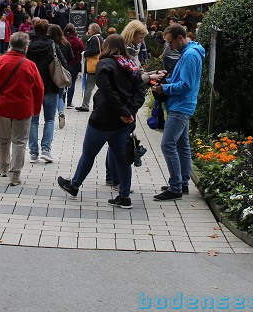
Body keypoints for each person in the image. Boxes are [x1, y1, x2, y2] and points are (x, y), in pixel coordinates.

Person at [56, 34, 162, 209]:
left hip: (103, 119)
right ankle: (124, 196)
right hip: (123, 124)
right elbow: (140, 92)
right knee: (122, 159)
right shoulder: (132, 66)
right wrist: (130, 113)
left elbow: (108, 92)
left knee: (89, 154)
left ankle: (74, 185)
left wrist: (123, 112)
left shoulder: (104, 65)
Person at [0, 31, 43, 186]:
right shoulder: (30, 65)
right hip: (23, 108)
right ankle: (15, 175)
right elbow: (39, 89)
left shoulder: (0, 61)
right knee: (20, 142)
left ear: (10, 45)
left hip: (2, 108)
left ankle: (3, 168)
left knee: (3, 139)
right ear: (26, 48)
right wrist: (36, 109)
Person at [151, 23, 204, 200]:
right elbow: (183, 79)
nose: (170, 47)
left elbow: (186, 85)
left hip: (180, 106)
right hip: (183, 104)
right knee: (182, 145)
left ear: (180, 38)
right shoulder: (188, 52)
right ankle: (182, 182)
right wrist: (169, 78)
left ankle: (175, 188)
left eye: (171, 43)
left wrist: (164, 88)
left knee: (167, 144)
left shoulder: (189, 55)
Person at [106, 19, 150, 186]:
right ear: (133, 35)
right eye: (140, 37)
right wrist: (146, 77)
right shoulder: (127, 52)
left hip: (126, 102)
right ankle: (116, 178)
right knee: (119, 140)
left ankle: (112, 175)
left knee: (116, 140)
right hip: (126, 103)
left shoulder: (130, 50)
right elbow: (130, 79)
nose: (141, 41)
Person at [26, 19, 70, 163]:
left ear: (34, 29)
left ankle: (33, 152)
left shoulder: (29, 46)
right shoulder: (53, 45)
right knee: (50, 119)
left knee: (33, 121)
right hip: (51, 87)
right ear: (47, 30)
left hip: (32, 88)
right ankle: (46, 150)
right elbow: (63, 64)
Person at [48, 23, 73, 129]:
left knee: (50, 95)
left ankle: (50, 116)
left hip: (50, 73)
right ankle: (61, 112)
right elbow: (71, 57)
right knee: (60, 96)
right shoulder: (66, 43)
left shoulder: (49, 43)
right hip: (61, 73)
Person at [75, 23, 103, 112]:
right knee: (97, 86)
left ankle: (85, 105)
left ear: (94, 30)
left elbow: (94, 50)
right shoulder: (99, 38)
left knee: (89, 87)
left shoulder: (94, 39)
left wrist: (85, 53)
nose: (88, 30)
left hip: (93, 66)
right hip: (98, 65)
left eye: (90, 29)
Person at [63, 23, 85, 109]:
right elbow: (83, 50)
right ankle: (69, 102)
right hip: (74, 63)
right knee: (72, 83)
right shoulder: (77, 40)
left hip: (64, 63)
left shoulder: (62, 39)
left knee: (63, 82)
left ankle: (62, 100)